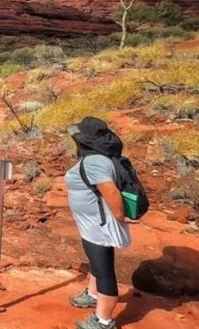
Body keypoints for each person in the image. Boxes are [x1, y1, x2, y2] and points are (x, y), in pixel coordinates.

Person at [64, 116, 131, 329]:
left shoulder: (94, 162)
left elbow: (109, 190)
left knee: (103, 270)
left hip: (99, 225)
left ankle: (103, 320)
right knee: (95, 262)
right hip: (92, 224)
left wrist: (120, 217)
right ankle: (93, 295)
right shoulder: (99, 158)